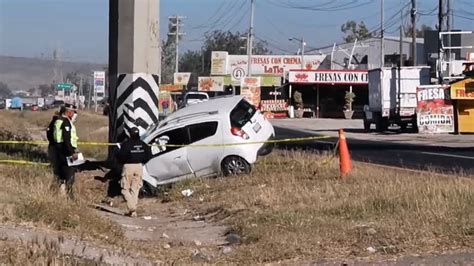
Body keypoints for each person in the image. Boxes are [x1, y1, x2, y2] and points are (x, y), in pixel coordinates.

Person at [116, 127, 152, 217]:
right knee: (135, 189)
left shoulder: (126, 144)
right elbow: (149, 155)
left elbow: (120, 156)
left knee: (125, 189)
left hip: (128, 166)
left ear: (130, 134)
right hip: (139, 167)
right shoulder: (143, 144)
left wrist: (122, 161)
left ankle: (132, 207)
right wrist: (142, 162)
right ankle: (133, 212)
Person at [53, 103, 80, 197]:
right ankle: (70, 195)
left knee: (62, 174)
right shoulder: (66, 122)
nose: (74, 114)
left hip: (59, 150)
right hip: (67, 151)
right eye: (73, 112)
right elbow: (66, 138)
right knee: (70, 173)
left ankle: (61, 193)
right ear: (68, 112)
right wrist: (72, 153)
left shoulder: (58, 120)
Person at [47, 105, 66, 178]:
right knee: (58, 167)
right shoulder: (59, 122)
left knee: (56, 166)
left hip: (54, 146)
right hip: (58, 147)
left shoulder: (54, 122)